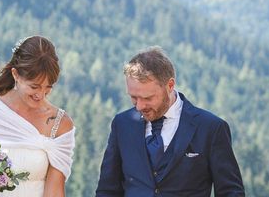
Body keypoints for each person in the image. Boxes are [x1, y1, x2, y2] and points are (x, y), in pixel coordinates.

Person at [96, 46, 245, 197]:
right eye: (134, 97)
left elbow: (231, 192)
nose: (140, 106)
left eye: (148, 98)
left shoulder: (211, 128)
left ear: (170, 85)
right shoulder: (122, 124)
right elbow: (107, 190)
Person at [0, 35, 75, 197]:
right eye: (34, 87)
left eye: (47, 88)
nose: (41, 95)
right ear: (16, 75)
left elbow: (55, 192)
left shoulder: (59, 124)